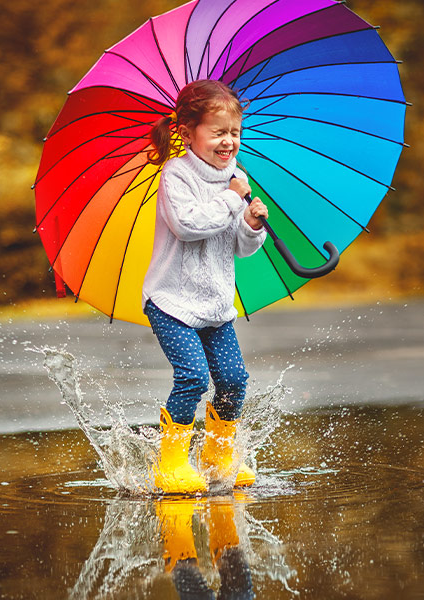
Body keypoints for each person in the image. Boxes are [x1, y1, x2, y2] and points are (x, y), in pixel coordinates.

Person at [144, 79, 268, 494]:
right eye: (218, 132)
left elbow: (239, 246)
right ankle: (172, 463)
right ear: (187, 132)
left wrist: (251, 225)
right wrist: (233, 199)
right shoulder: (176, 175)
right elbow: (190, 226)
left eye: (234, 132)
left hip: (215, 302)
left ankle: (218, 457)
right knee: (194, 377)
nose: (228, 141)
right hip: (172, 301)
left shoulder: (238, 177)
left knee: (233, 380)